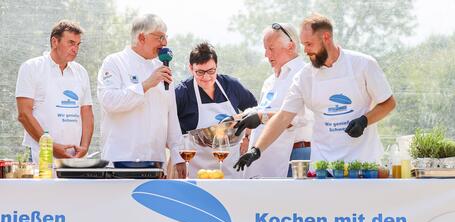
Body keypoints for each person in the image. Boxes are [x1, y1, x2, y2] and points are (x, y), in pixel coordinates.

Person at [234, 13, 396, 171]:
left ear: (326, 38)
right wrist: (257, 150)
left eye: (309, 44)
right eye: (303, 45)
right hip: (323, 167)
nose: (305, 51)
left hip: (362, 162)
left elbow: (388, 103)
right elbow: (283, 116)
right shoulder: (305, 76)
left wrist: (364, 120)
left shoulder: (363, 64)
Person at [97, 14, 184, 175]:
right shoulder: (114, 62)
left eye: (166, 37)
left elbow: (171, 115)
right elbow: (109, 101)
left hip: (156, 163)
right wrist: (146, 85)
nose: (164, 43)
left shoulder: (161, 68)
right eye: (160, 37)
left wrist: (178, 156)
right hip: (120, 163)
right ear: (142, 37)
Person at [233, 23, 313, 178]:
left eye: (271, 48)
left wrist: (261, 117)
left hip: (293, 157)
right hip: (263, 160)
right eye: (265, 49)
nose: (266, 55)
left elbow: (298, 118)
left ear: (291, 46)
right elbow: (262, 113)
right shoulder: (269, 81)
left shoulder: (304, 73)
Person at [175, 42, 257, 178]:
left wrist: (248, 137)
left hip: (232, 170)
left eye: (211, 71)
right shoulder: (182, 93)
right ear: (191, 68)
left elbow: (255, 111)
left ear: (217, 67)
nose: (206, 77)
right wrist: (177, 160)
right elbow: (167, 128)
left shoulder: (231, 85)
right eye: (200, 72)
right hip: (197, 173)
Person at [16, 20, 94, 162]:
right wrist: (50, 147)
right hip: (40, 156)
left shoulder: (81, 72)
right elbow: (24, 115)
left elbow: (87, 112)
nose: (75, 49)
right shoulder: (31, 67)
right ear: (54, 41)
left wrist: (84, 147)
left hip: (74, 157)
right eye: (71, 43)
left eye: (78, 44)